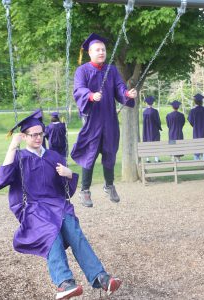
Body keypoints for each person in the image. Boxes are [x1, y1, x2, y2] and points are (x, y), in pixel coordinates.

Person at [0, 111, 122, 300]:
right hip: (33, 209)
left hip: (58, 205)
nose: (38, 137)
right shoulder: (19, 157)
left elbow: (67, 189)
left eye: (40, 133)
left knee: (74, 232)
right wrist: (12, 146)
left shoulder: (54, 157)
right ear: (24, 136)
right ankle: (65, 283)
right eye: (33, 134)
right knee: (51, 232)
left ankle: (101, 278)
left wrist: (69, 174)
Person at [71, 33, 137, 207]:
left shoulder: (112, 70)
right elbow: (78, 89)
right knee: (89, 154)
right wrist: (91, 96)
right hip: (92, 121)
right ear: (90, 52)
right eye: (97, 49)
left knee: (109, 153)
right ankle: (85, 191)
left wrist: (127, 94)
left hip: (109, 119)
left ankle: (109, 186)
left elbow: (119, 87)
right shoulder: (82, 70)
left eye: (103, 49)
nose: (101, 52)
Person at [188, 93, 204, 160]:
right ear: (202, 102)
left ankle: (196, 158)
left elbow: (190, 121)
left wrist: (194, 125)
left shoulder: (192, 111)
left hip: (196, 130)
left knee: (196, 143)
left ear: (195, 102)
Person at [142, 96, 162, 163]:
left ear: (146, 103)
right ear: (152, 103)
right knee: (156, 144)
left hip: (146, 130)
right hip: (154, 130)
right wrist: (159, 127)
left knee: (147, 143)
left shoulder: (144, 112)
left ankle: (147, 159)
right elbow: (158, 121)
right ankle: (156, 159)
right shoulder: (155, 111)